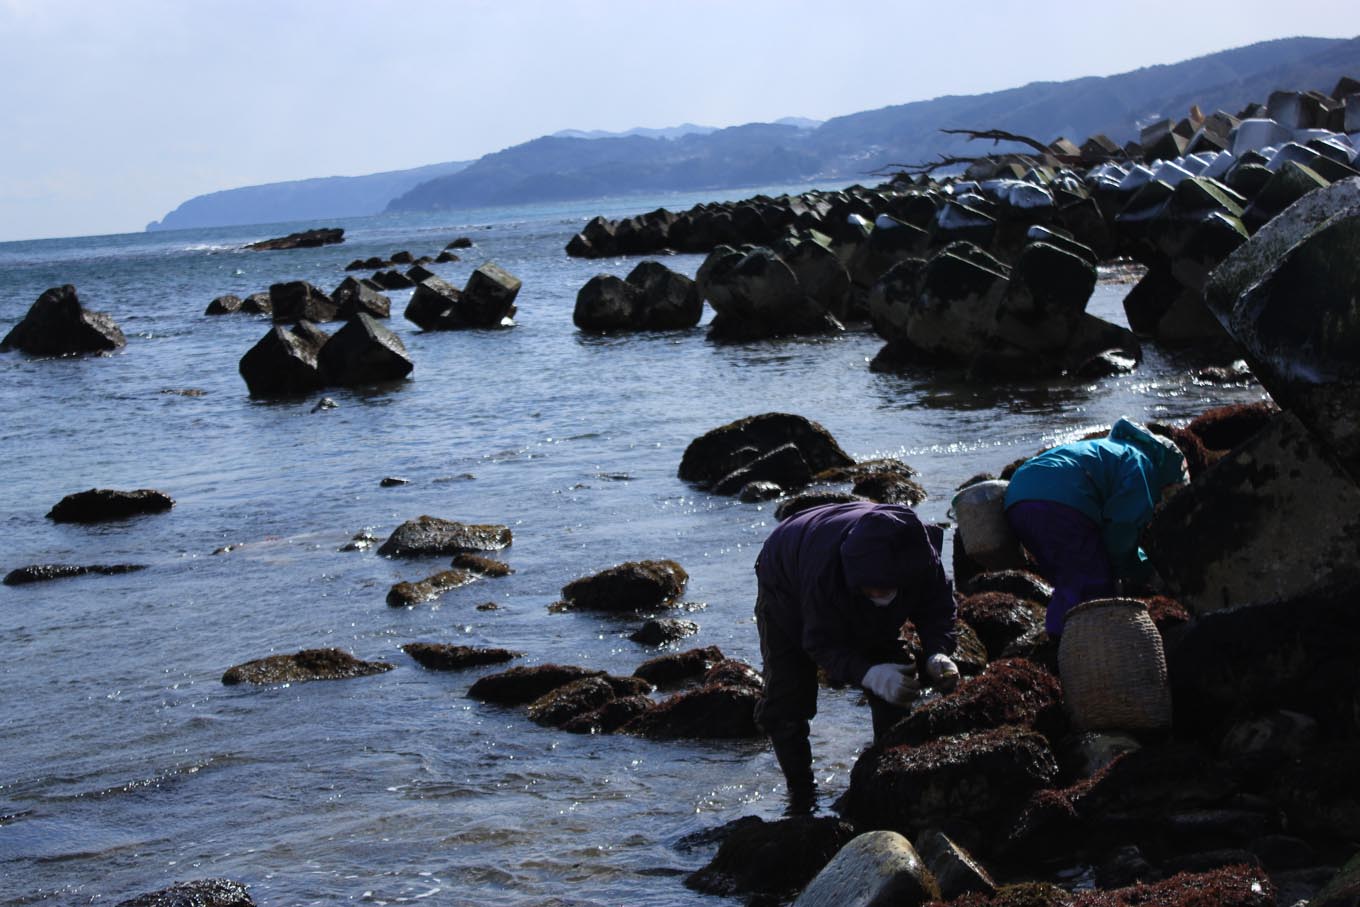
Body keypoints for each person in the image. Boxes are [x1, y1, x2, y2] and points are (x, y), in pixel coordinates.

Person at [753, 500, 959, 814]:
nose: (877, 595)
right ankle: (802, 796)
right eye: (870, 589)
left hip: (841, 543)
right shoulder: (824, 575)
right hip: (785, 570)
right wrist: (869, 674)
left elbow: (938, 609)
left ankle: (889, 769)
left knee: (896, 669)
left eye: (882, 589)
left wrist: (937, 653)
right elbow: (819, 643)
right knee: (788, 695)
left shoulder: (919, 557)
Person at [1004, 417, 1190, 638]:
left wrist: (1140, 564)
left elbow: (1115, 530)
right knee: (1094, 585)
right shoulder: (1143, 464)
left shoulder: (1115, 449)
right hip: (1060, 503)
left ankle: (1059, 638)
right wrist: (1136, 573)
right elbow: (1122, 529)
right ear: (1167, 473)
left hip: (1018, 498)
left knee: (1068, 579)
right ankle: (1073, 645)